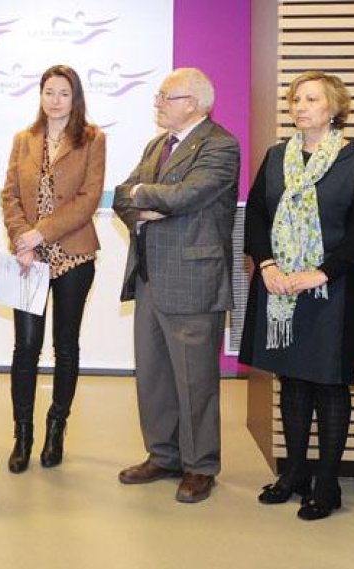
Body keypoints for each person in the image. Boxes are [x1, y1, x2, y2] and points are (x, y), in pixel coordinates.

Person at [238, 71, 354, 520]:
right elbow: (256, 216)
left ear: (335, 108)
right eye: (296, 99)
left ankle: (327, 482)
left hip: (332, 291)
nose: (300, 107)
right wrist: (267, 265)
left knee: (330, 385)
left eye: (312, 99)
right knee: (293, 382)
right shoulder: (277, 156)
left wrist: (319, 274)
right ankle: (294, 473)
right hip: (280, 288)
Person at [113, 68, 239, 504]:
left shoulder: (220, 145)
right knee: (153, 376)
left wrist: (145, 197)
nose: (159, 103)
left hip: (192, 280)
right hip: (149, 275)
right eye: (159, 96)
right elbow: (121, 194)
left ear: (195, 102)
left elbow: (187, 196)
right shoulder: (158, 145)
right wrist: (146, 204)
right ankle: (163, 455)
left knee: (195, 381)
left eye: (167, 96)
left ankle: (200, 465)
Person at [0, 64, 105, 473]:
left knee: (66, 345)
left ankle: (56, 428)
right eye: (49, 92)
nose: (55, 100)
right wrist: (21, 239)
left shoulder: (92, 139)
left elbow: (88, 199)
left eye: (64, 93)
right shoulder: (23, 139)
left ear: (75, 98)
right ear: (40, 95)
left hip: (73, 255)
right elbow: (10, 195)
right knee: (25, 346)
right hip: (27, 258)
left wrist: (39, 234)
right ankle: (22, 435)